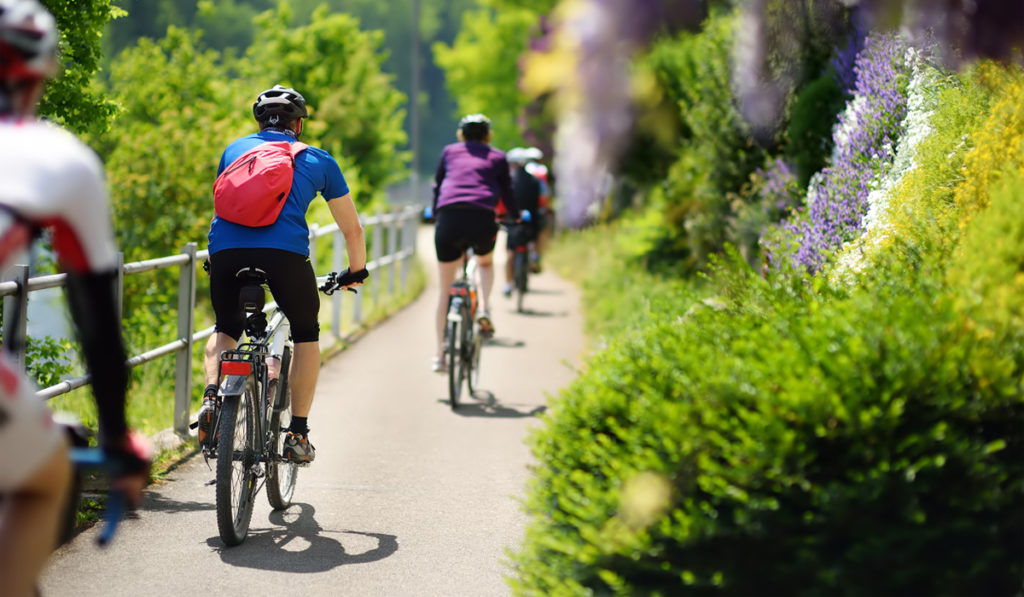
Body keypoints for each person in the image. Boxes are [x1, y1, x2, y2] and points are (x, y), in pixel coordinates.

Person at [0, 1, 151, 594]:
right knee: (46, 479)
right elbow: (96, 322)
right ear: (44, 70)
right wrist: (118, 439)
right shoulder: (60, 158)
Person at [200, 84, 367, 464]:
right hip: (285, 257)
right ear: (299, 124)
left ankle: (211, 397)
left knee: (224, 330)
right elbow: (352, 229)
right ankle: (298, 434)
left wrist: (217, 255)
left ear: (259, 121)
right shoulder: (318, 159)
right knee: (306, 333)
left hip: (226, 252)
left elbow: (225, 206)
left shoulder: (234, 150)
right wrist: (355, 271)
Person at [431, 113, 519, 372]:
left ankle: (440, 356)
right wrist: (516, 216)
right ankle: (483, 306)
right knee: (485, 262)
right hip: (482, 217)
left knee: (445, 291)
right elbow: (507, 192)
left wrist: (435, 212)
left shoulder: (449, 152)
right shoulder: (498, 157)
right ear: (488, 136)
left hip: (449, 217)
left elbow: (438, 185)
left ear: (461, 135)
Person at [502, 148, 541, 297]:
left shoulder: (508, 181)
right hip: (531, 222)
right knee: (533, 238)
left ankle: (507, 284)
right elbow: (540, 202)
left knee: (510, 254)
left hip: (513, 222)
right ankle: (534, 254)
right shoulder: (535, 181)